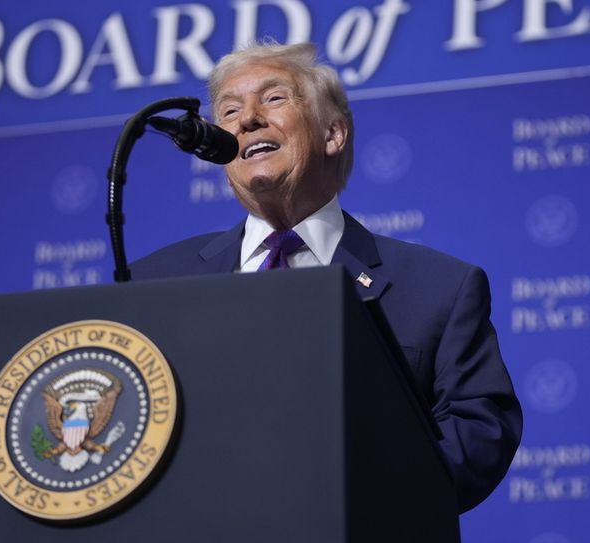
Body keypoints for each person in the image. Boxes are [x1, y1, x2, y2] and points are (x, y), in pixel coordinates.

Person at [131, 42, 522, 512]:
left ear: (332, 133)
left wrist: (347, 490)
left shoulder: (439, 289)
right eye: (229, 110)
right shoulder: (153, 282)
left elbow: (479, 433)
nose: (246, 119)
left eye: (273, 99)